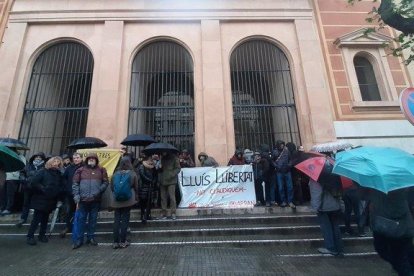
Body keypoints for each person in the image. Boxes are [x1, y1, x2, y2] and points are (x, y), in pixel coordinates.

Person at [365, 188, 414, 275]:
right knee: (404, 257)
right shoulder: (404, 188)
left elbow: (398, 211)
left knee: (400, 259)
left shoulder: (398, 192)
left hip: (396, 229)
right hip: (402, 228)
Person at [72, 153, 109, 249]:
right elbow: (75, 184)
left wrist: (99, 191)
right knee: (81, 220)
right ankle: (79, 239)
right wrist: (76, 196)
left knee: (93, 220)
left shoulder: (101, 169)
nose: (91, 160)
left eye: (93, 158)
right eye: (90, 158)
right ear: (87, 159)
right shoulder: (80, 170)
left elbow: (105, 182)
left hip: (95, 200)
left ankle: (91, 237)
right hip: (82, 200)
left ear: (96, 160)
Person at [26, 156, 64, 245]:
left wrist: (58, 196)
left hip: (51, 200)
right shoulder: (43, 171)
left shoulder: (58, 174)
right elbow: (34, 182)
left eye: (58, 162)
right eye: (55, 161)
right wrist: (43, 189)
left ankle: (42, 235)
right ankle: (30, 236)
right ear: (50, 162)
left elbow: (59, 186)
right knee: (36, 219)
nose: (56, 163)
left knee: (45, 219)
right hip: (40, 199)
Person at [309, 178, 343, 257]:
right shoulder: (335, 177)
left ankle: (330, 248)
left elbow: (316, 193)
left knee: (326, 227)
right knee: (335, 227)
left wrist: (315, 208)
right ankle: (339, 248)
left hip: (324, 207)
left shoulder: (316, 178)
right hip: (336, 206)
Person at [110, 157, 138, 249]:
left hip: (116, 200)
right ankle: (123, 241)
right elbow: (136, 186)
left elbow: (112, 187)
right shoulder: (132, 174)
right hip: (128, 200)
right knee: (125, 220)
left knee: (116, 220)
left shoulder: (115, 174)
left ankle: (115, 242)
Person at [16, 152, 47, 227]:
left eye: (40, 157)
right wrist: (24, 180)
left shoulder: (45, 167)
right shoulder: (29, 165)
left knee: (37, 204)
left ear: (42, 158)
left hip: (38, 189)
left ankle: (36, 219)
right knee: (26, 203)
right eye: (36, 157)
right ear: (34, 158)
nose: (38, 158)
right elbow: (22, 174)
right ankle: (23, 218)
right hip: (28, 187)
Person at [60, 152, 83, 238]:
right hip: (70, 193)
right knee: (69, 211)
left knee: (80, 211)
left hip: (81, 193)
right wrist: (67, 187)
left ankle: (79, 227)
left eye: (77, 157)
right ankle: (68, 227)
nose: (76, 159)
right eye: (74, 158)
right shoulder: (69, 168)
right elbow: (64, 178)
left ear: (81, 158)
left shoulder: (84, 167)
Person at [0, 148, 26, 215]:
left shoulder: (20, 156)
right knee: (2, 194)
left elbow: (22, 166)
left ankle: (8, 208)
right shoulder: (6, 155)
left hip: (13, 178)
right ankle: (2, 208)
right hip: (4, 177)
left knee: (10, 194)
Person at [157, 152, 181, 220]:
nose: (163, 153)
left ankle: (173, 213)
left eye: (164, 151)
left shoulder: (174, 158)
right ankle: (163, 212)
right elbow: (160, 170)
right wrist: (159, 168)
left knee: (172, 197)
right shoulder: (162, 159)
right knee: (163, 197)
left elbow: (178, 168)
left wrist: (172, 174)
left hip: (171, 180)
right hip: (162, 180)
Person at [273, 140, 295, 208]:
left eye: (283, 144)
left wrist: (289, 165)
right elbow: (272, 161)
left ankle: (290, 201)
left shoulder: (286, 151)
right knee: (280, 188)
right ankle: (283, 201)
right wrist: (276, 166)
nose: (282, 145)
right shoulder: (275, 152)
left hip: (287, 171)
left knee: (290, 187)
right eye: (281, 144)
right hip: (279, 172)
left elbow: (291, 159)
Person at [137, 155, 157, 222]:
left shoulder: (152, 167)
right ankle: (143, 215)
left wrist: (154, 180)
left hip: (151, 186)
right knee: (143, 201)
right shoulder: (142, 166)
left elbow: (155, 174)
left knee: (149, 201)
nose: (151, 160)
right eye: (150, 159)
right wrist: (149, 180)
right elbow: (142, 175)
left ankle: (148, 214)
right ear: (146, 160)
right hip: (143, 186)